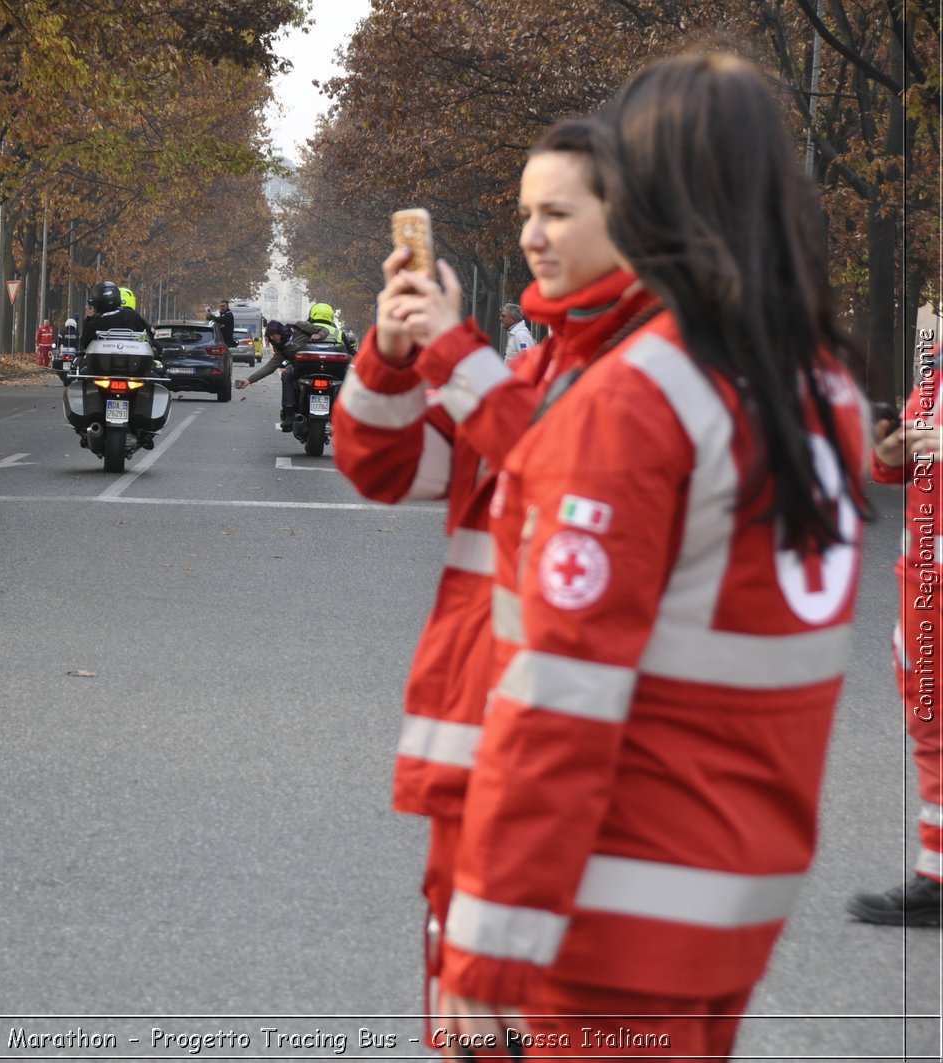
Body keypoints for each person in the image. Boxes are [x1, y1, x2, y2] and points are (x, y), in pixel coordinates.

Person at [411, 52, 868, 1056]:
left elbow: (560, 694)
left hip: (610, 906)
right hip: (740, 883)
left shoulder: (638, 398)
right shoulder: (825, 388)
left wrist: (487, 940)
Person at [330, 116, 657, 1034]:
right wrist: (393, 353)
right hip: (484, 761)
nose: (530, 235)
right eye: (524, 213)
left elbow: (563, 469)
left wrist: (452, 352)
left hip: (557, 780)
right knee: (468, 1019)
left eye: (557, 212)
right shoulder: (541, 362)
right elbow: (387, 468)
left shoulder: (646, 368)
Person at [847, 371, 943, 925]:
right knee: (931, 728)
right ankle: (936, 875)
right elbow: (895, 471)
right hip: (922, 584)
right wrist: (888, 449)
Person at [235, 311, 336, 429]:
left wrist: (319, 336)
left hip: (319, 362)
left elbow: (323, 330)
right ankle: (289, 413)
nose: (273, 338)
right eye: (270, 336)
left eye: (274, 334)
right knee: (286, 375)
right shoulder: (280, 347)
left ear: (281, 331)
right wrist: (249, 380)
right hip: (300, 368)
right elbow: (270, 366)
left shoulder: (299, 326)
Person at [78, 281, 154, 351]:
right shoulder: (132, 316)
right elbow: (148, 333)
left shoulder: (94, 324)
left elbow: (84, 344)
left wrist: (89, 318)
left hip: (103, 363)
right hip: (133, 363)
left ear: (96, 303)